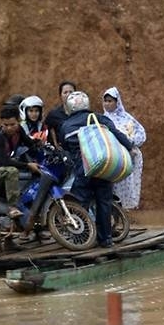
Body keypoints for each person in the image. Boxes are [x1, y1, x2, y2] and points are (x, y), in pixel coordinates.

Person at [59, 91, 135, 248]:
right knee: (104, 202)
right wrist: (130, 148)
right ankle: (106, 239)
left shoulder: (65, 126)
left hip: (83, 170)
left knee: (80, 202)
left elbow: (65, 147)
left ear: (70, 107)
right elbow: (117, 134)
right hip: (102, 166)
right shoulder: (99, 118)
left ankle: (80, 237)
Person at [0, 106, 41, 219]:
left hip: (0, 168)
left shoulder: (19, 131)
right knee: (11, 172)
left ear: (19, 121)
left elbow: (29, 143)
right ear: (2, 123)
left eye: (12, 124)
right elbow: (4, 161)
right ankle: (13, 207)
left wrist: (40, 144)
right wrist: (27, 165)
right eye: (6, 125)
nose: (9, 128)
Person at [102, 86, 147, 210]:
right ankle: (116, 211)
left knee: (128, 183)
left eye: (110, 101)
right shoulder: (103, 120)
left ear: (117, 102)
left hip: (129, 157)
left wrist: (130, 142)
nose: (107, 104)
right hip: (113, 158)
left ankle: (126, 210)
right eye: (105, 101)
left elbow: (140, 133)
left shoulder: (126, 118)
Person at [44, 80, 76, 149]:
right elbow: (46, 131)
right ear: (60, 95)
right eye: (65, 92)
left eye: (71, 92)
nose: (68, 95)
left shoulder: (82, 113)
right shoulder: (54, 114)